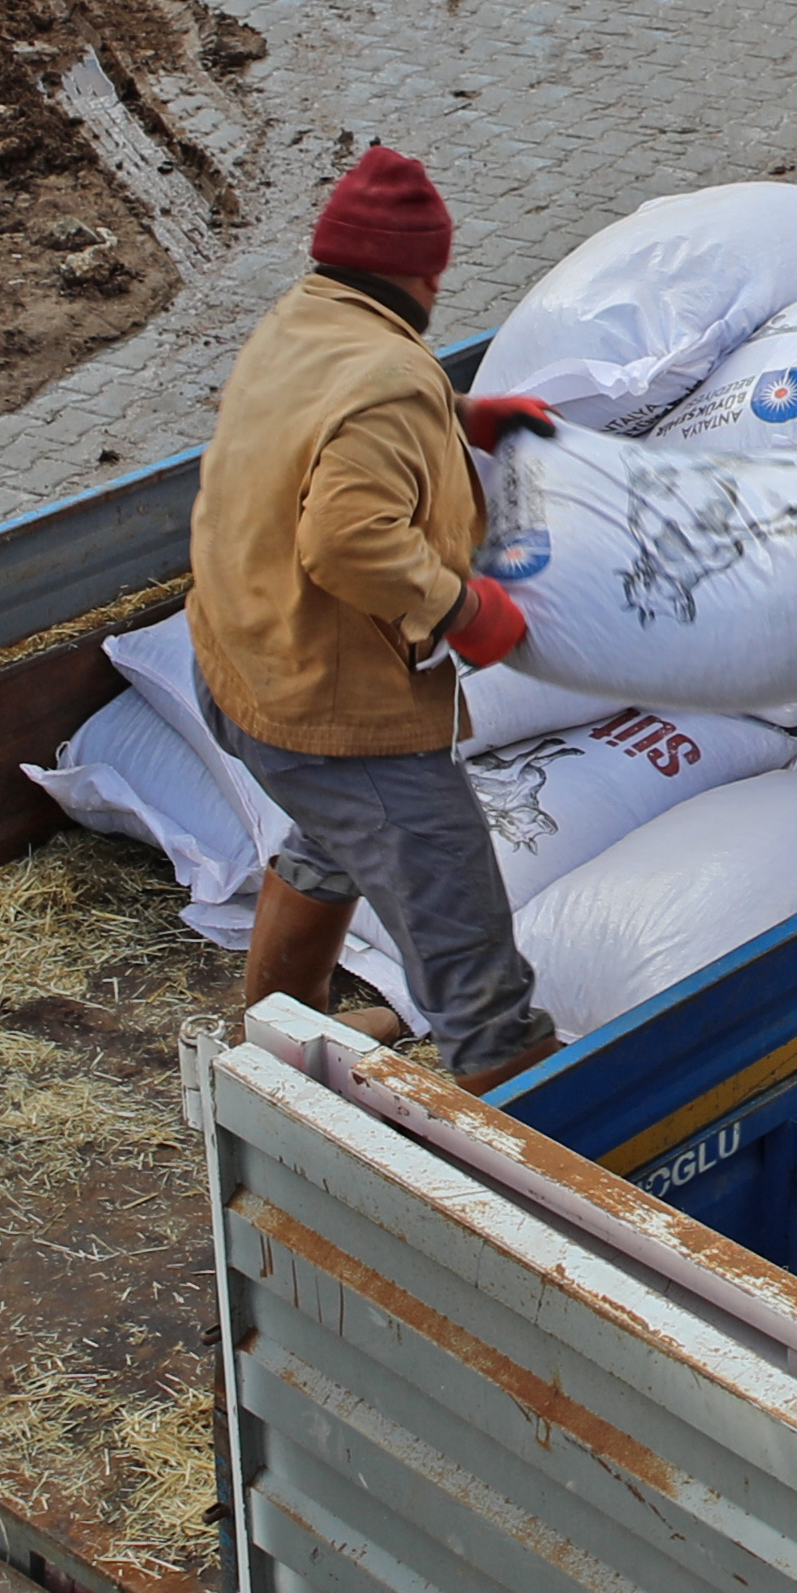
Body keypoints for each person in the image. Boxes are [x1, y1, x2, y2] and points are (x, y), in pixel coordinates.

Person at [187, 142, 561, 1082]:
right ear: (426, 268)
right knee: (465, 941)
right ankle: (525, 1138)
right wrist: (462, 606)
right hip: (333, 705)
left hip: (242, 663)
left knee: (337, 836)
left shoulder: (303, 319)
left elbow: (332, 415)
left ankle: (280, 1036)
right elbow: (347, 540)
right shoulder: (388, 378)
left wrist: (455, 413)